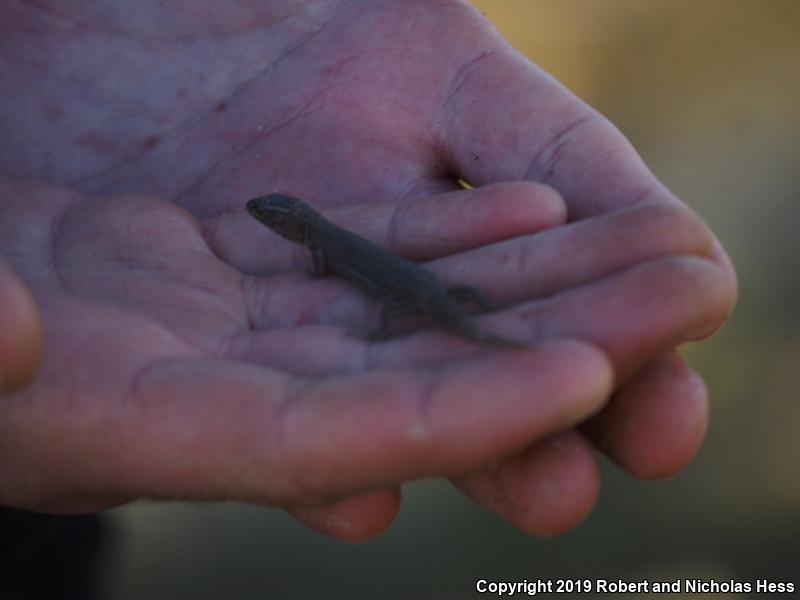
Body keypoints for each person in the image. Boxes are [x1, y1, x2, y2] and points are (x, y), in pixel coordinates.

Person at [0, 0, 736, 545]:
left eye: (271, 214)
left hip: (413, 299)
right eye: (268, 213)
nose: (265, 216)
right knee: (461, 304)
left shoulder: (317, 243)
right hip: (432, 294)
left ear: (288, 225)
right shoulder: (318, 235)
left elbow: (326, 264)